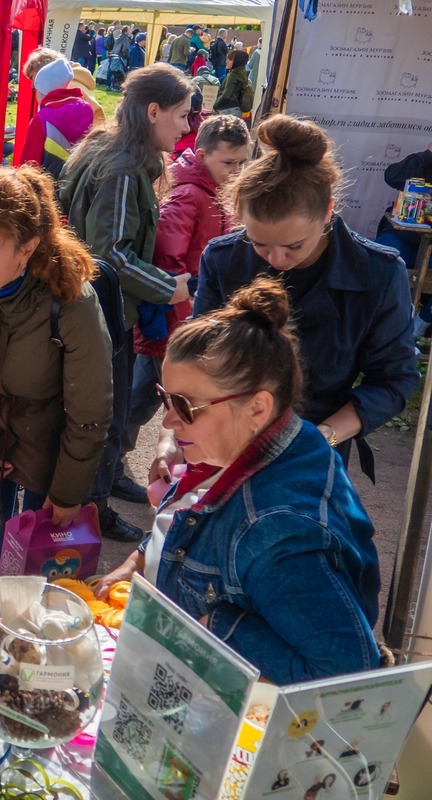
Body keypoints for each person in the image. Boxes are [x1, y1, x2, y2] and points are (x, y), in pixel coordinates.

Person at [99, 278, 381, 684]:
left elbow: (344, 671)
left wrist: (209, 630)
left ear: (257, 407)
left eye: (185, 406)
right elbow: (186, 519)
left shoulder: (276, 530)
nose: (168, 420)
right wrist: (133, 563)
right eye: (166, 398)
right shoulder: (250, 442)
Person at [186, 114, 419, 483]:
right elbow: (197, 357)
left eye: (294, 246)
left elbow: (393, 380)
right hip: (221, 441)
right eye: (259, 243)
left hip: (315, 451)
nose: (277, 261)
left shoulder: (377, 274)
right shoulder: (223, 257)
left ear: (327, 211)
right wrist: (177, 434)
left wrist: (320, 437)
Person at [0, 165, 113, 580]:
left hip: (48, 444)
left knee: (31, 573)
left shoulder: (71, 301)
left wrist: (68, 492)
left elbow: (91, 410)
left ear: (27, 248)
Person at [57, 63, 194, 541]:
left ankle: (107, 482)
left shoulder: (110, 148)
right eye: (181, 115)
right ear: (152, 111)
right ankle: (93, 510)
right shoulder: (121, 166)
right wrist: (168, 286)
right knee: (104, 414)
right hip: (101, 314)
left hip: (95, 308)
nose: (186, 126)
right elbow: (108, 253)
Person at [123, 115, 251, 466]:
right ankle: (108, 466)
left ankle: (112, 464)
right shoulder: (190, 196)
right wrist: (186, 317)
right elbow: (168, 259)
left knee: (150, 396)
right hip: (170, 320)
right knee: (143, 397)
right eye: (228, 162)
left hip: (187, 318)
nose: (236, 170)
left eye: (242, 162)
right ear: (202, 154)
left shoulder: (213, 191)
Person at [375, 142, 432, 333]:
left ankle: (419, 325)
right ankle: (378, 320)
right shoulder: (424, 162)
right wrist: (428, 154)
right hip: (404, 234)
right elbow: (392, 177)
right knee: (383, 256)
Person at [17, 58, 95, 180]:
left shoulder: (41, 119)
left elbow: (28, 165)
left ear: (42, 91)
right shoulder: (87, 110)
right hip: (75, 184)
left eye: (35, 89)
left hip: (47, 187)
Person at [214, 50, 252, 116]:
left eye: (230, 59)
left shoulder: (234, 74)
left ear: (237, 61)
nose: (227, 61)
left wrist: (215, 105)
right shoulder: (243, 72)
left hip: (228, 109)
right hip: (237, 109)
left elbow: (226, 94)